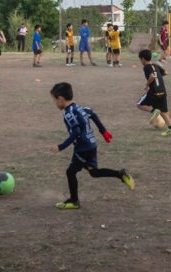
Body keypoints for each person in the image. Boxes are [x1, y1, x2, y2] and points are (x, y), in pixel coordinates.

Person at [49, 81, 134, 209]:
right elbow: (92, 114)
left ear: (60, 99)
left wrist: (61, 146)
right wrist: (103, 131)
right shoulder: (79, 107)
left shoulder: (68, 113)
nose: (55, 103)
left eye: (55, 100)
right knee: (94, 172)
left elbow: (76, 132)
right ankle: (120, 174)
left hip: (83, 147)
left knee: (70, 172)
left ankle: (74, 201)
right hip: (91, 144)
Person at [137, 49, 171, 136]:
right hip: (163, 91)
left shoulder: (146, 67)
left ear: (143, 59)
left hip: (154, 92)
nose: (140, 61)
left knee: (139, 104)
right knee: (163, 112)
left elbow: (152, 76)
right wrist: (159, 75)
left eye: (140, 59)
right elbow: (166, 72)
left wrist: (147, 85)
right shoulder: (156, 65)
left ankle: (155, 110)